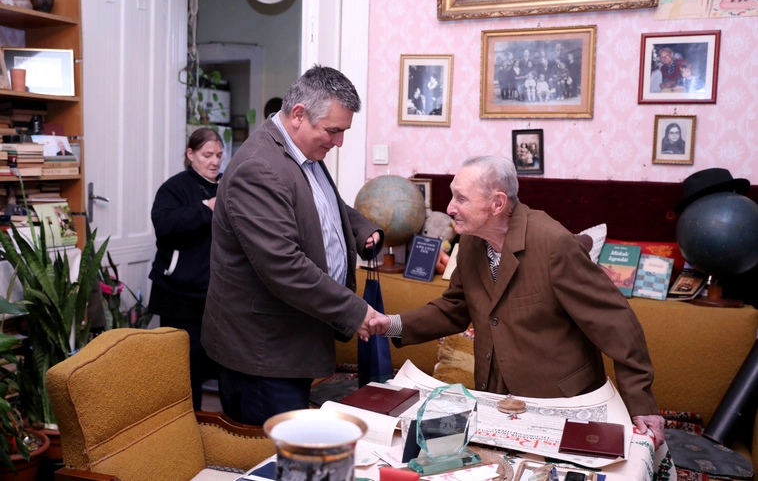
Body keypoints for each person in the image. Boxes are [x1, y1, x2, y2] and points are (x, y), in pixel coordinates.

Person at [373, 155, 665, 449]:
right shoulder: (472, 241)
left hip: (562, 403)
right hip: (495, 397)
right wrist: (390, 324)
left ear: (497, 203)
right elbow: (454, 308)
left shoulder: (555, 245)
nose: (449, 208)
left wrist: (641, 402)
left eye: (461, 198)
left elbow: (616, 323)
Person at [201, 65, 385, 425]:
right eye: (333, 131)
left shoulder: (301, 151)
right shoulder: (258, 168)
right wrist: (355, 311)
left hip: (292, 343)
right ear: (299, 114)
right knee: (274, 454)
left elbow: (319, 202)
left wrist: (360, 228)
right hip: (263, 355)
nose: (339, 142)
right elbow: (284, 265)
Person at [148, 127, 223, 411]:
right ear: (191, 154)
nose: (214, 161)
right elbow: (165, 225)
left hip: (216, 294)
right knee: (183, 368)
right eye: (207, 155)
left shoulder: (227, 186)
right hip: (178, 294)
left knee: (218, 363)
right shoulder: (174, 187)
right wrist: (207, 207)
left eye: (219, 155)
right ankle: (184, 423)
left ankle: (222, 426)